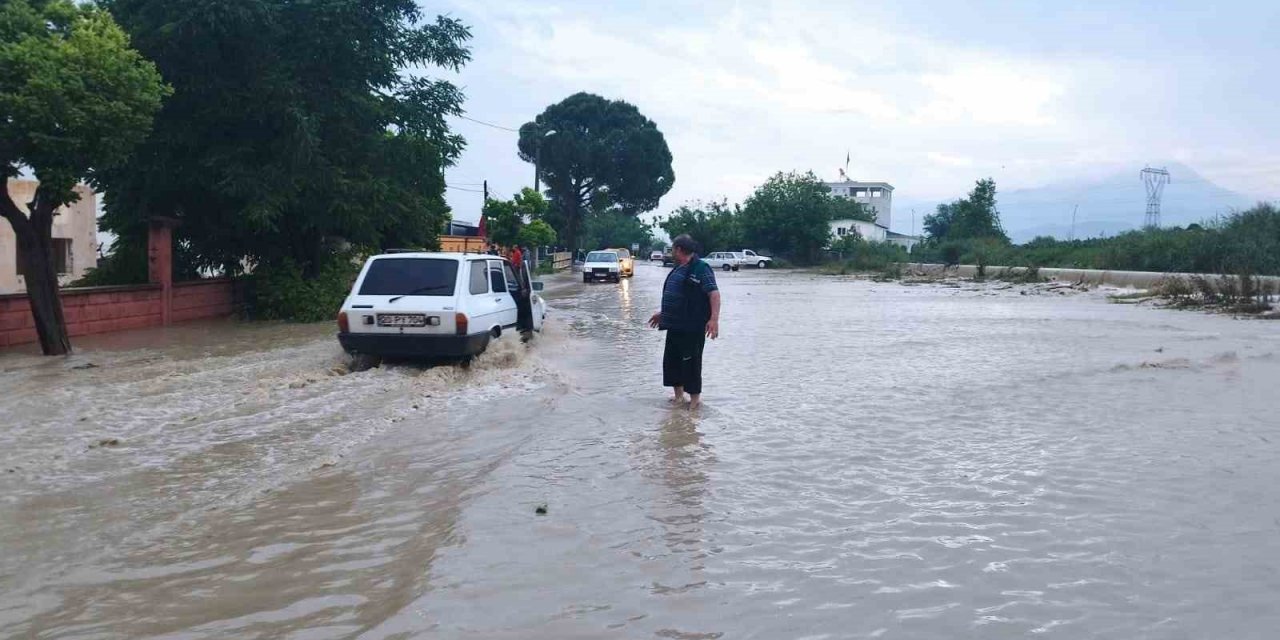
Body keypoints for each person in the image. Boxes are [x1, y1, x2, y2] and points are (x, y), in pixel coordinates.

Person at [648, 234, 721, 410]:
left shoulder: (701, 268)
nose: (672, 252)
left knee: (691, 361)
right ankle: (679, 397)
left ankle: (695, 401)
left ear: (679, 249)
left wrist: (714, 319)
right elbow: (679, 296)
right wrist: (663, 313)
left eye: (673, 249)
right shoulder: (679, 267)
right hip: (674, 324)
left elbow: (714, 294)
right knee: (672, 361)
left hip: (692, 325)